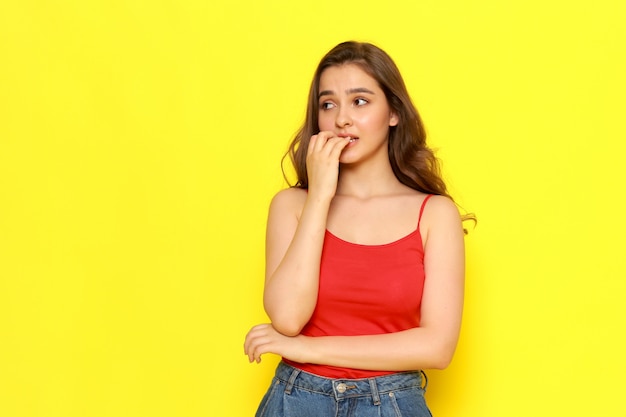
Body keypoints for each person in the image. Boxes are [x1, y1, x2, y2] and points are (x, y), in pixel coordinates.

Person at [244, 41, 471, 417]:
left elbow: (437, 347)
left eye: (360, 101)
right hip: (296, 400)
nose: (341, 119)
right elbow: (286, 318)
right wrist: (319, 196)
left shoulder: (434, 214)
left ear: (394, 112)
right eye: (328, 104)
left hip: (393, 403)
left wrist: (307, 349)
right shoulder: (291, 205)